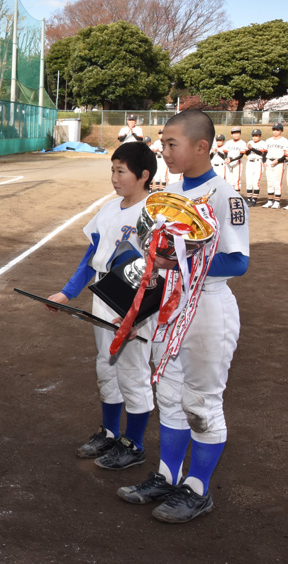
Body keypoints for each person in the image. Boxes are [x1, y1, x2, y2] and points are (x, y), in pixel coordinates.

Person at [117, 110, 249, 524]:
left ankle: (197, 489)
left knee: (201, 402)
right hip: (170, 305)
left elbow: (238, 262)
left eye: (172, 144)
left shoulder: (225, 196)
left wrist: (178, 262)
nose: (164, 152)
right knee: (170, 397)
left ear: (201, 146)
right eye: (163, 144)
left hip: (207, 307)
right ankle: (167, 476)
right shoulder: (168, 194)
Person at [46, 142, 156, 470]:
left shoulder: (155, 212)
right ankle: (109, 433)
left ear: (144, 175)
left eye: (121, 171)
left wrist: (138, 312)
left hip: (134, 298)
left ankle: (134, 444)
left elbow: (159, 269)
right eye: (113, 170)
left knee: (133, 371)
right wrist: (67, 293)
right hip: (104, 294)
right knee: (106, 366)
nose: (114, 178)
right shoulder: (109, 209)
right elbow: (92, 255)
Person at [262, 123, 288, 209]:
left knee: (277, 182)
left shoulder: (284, 141)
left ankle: (277, 202)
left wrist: (278, 161)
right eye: (274, 130)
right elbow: (265, 152)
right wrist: (264, 161)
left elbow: (286, 154)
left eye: (277, 130)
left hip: (279, 162)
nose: (275, 131)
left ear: (281, 131)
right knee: (270, 182)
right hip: (269, 161)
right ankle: (270, 201)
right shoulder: (268, 140)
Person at [245, 128, 266, 206]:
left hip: (258, 163)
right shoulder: (250, 142)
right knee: (249, 181)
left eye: (256, 136)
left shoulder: (263, 143)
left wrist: (252, 148)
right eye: (253, 135)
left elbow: (261, 153)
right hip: (249, 163)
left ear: (260, 136)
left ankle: (254, 200)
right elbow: (247, 153)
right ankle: (249, 199)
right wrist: (249, 149)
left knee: (256, 182)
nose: (255, 137)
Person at [223, 127, 246, 192]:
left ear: (240, 134)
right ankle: (230, 195)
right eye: (234, 133)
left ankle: (236, 196)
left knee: (236, 181)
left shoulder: (242, 143)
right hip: (228, 162)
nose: (236, 135)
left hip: (237, 162)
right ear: (231, 134)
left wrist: (231, 160)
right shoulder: (228, 142)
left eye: (238, 133)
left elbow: (241, 155)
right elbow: (225, 152)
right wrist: (226, 158)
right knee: (229, 181)